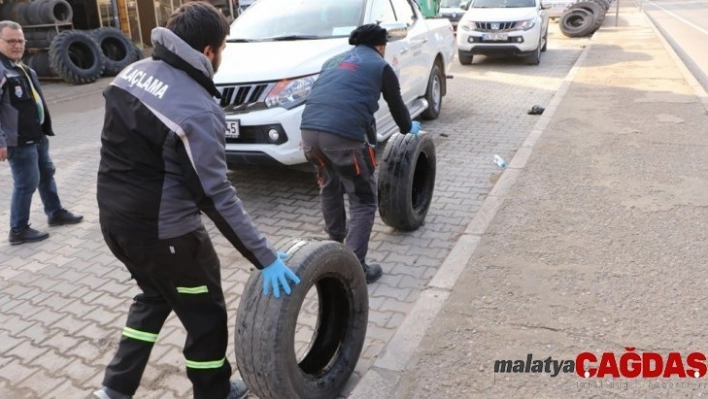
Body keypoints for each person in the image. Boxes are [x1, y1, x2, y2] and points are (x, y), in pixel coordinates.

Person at [93, 3, 300, 399]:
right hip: (169, 237)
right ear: (209, 51)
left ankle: (114, 390)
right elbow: (215, 195)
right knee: (205, 318)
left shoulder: (131, 73)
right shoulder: (197, 107)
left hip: (116, 225)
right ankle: (214, 392)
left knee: (154, 296)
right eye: (223, 48)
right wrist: (265, 257)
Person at [300, 24, 421, 284]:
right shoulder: (380, 66)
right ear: (380, 46)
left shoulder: (333, 61)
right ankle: (354, 268)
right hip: (341, 138)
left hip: (309, 135)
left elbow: (345, 101)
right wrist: (408, 128)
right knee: (363, 199)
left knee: (330, 185)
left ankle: (333, 248)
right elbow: (396, 105)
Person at [0, 20, 83, 245]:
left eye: (20, 41)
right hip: (18, 139)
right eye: (11, 41)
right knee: (26, 182)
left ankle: (55, 213)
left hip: (36, 135)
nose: (17, 45)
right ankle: (18, 230)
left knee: (46, 173)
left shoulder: (21, 67)